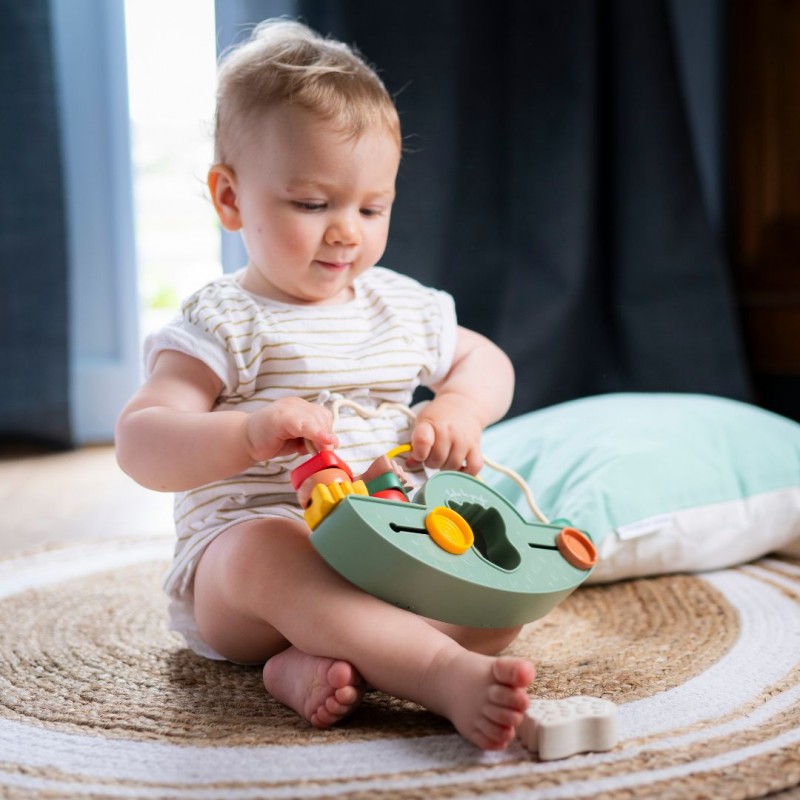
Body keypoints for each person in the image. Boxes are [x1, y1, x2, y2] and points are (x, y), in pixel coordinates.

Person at [115, 18, 535, 751]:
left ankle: (313, 661)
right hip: (244, 574)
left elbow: (488, 361)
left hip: (386, 547)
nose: (346, 232)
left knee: (499, 608)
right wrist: (247, 433)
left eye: (371, 208)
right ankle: (435, 671)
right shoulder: (226, 320)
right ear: (230, 198)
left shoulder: (401, 306)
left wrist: (461, 405)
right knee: (269, 551)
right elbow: (140, 441)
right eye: (313, 205)